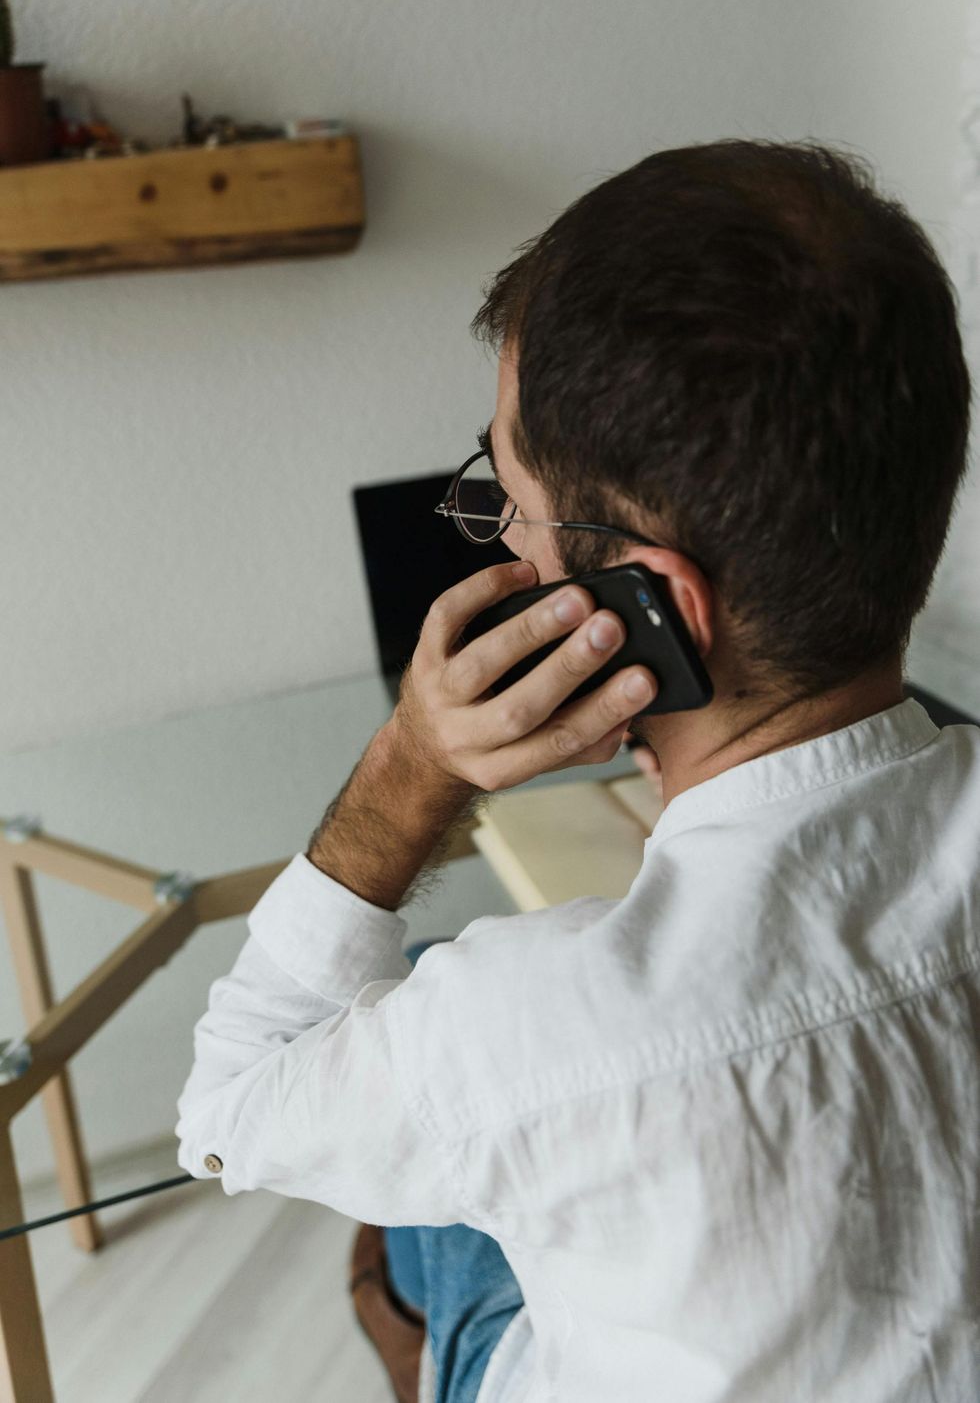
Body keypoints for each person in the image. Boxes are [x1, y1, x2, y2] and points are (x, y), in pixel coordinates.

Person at [176, 139, 979, 1403]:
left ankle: (406, 1324)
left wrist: (414, 765)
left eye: (509, 494)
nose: (498, 528)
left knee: (435, 1145)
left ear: (646, 606)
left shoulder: (525, 1027)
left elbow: (228, 1111)